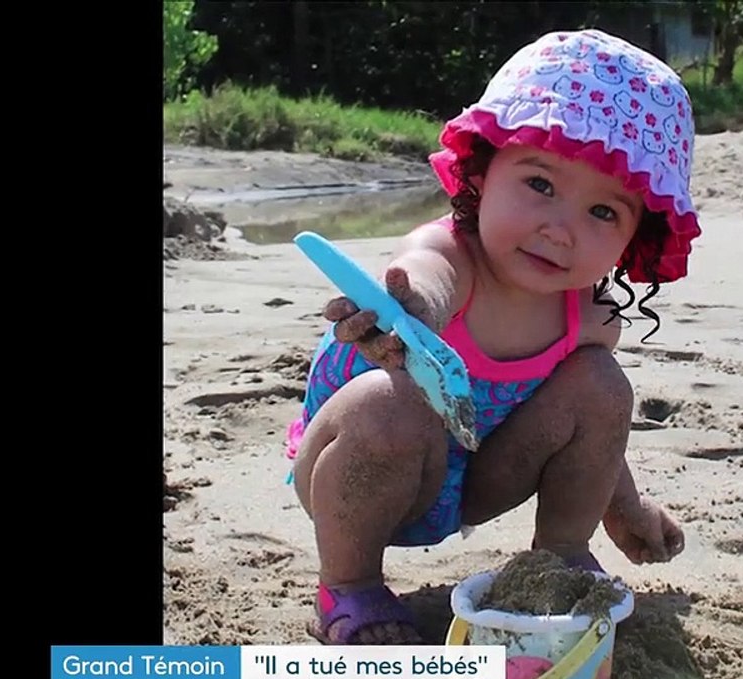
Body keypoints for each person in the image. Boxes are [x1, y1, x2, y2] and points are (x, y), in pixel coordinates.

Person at [283, 28, 702, 645]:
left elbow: (596, 432)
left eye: (603, 212)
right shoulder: (450, 254)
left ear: (634, 238)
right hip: (356, 474)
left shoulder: (591, 318)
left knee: (602, 385)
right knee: (389, 401)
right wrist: (410, 310)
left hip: (478, 479)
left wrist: (628, 508)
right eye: (540, 185)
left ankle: (560, 557)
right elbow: (427, 278)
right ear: (482, 171)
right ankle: (349, 584)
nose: (559, 230)